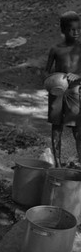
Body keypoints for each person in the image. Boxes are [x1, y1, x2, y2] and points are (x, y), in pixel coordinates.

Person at [45, 11, 81, 167]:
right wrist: (51, 81)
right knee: (57, 127)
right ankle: (58, 164)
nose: (76, 32)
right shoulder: (56, 49)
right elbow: (46, 71)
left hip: (75, 91)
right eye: (72, 29)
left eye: (79, 28)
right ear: (63, 31)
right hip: (57, 90)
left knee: (77, 128)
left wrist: (78, 75)